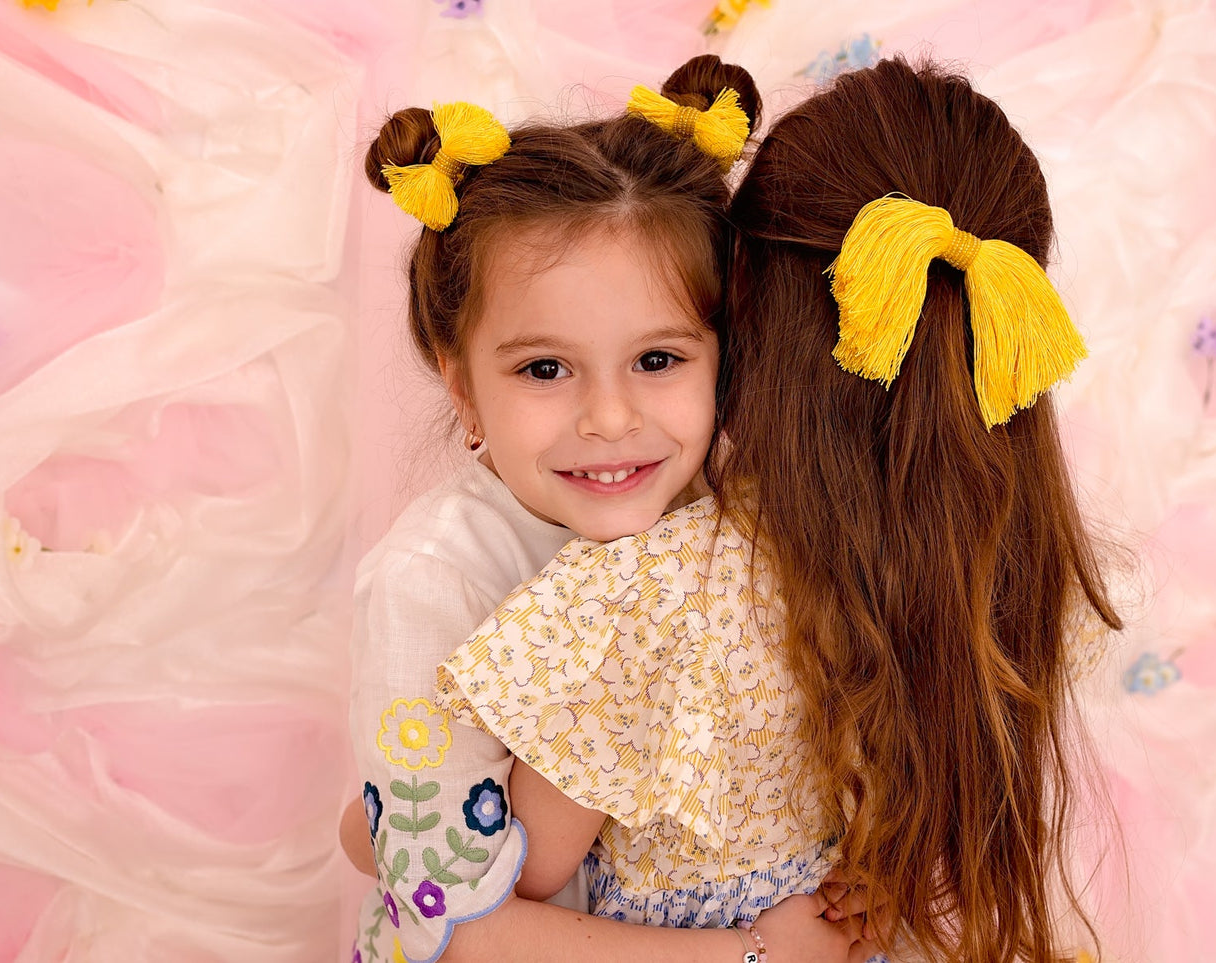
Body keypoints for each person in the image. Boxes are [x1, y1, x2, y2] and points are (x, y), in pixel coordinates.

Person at [438, 56, 1123, 963]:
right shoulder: (1008, 563)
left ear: (742, 307)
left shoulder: (645, 595)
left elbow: (478, 902)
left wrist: (376, 828)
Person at [346, 55, 870, 963]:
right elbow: (449, 922)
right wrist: (756, 953)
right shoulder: (431, 582)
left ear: (727, 355)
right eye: (545, 368)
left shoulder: (735, 517)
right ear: (462, 386)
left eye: (657, 360)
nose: (610, 418)